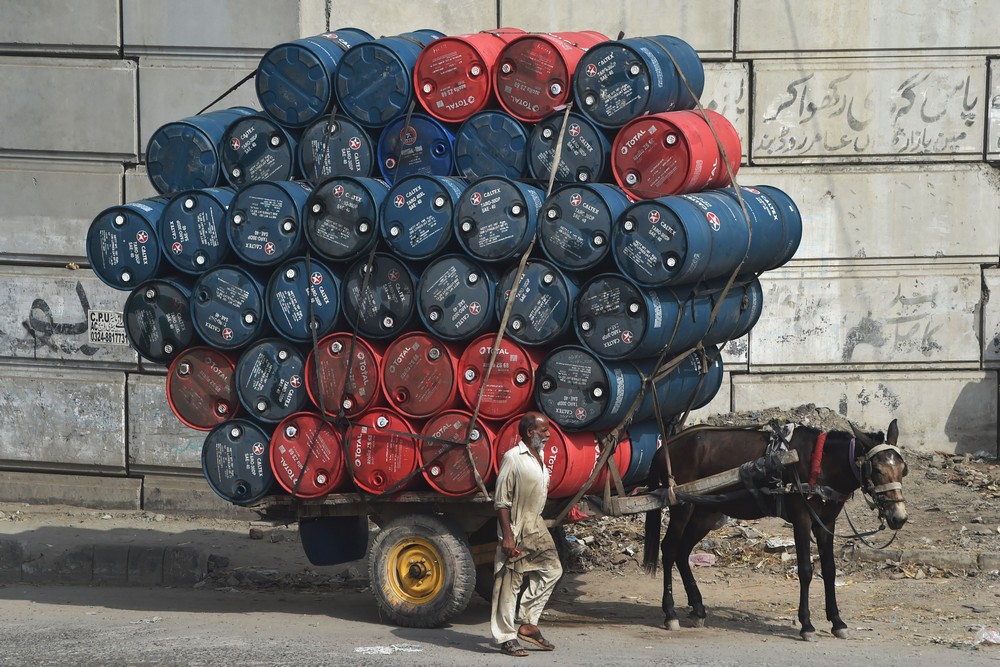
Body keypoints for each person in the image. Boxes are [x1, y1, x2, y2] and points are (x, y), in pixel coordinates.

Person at [490, 411, 562, 657]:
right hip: (517, 524)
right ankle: (506, 637)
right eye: (544, 430)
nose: (548, 435)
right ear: (530, 432)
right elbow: (501, 501)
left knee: (552, 570)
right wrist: (508, 535)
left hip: (536, 524)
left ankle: (529, 623)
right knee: (510, 580)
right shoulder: (513, 458)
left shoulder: (539, 455)